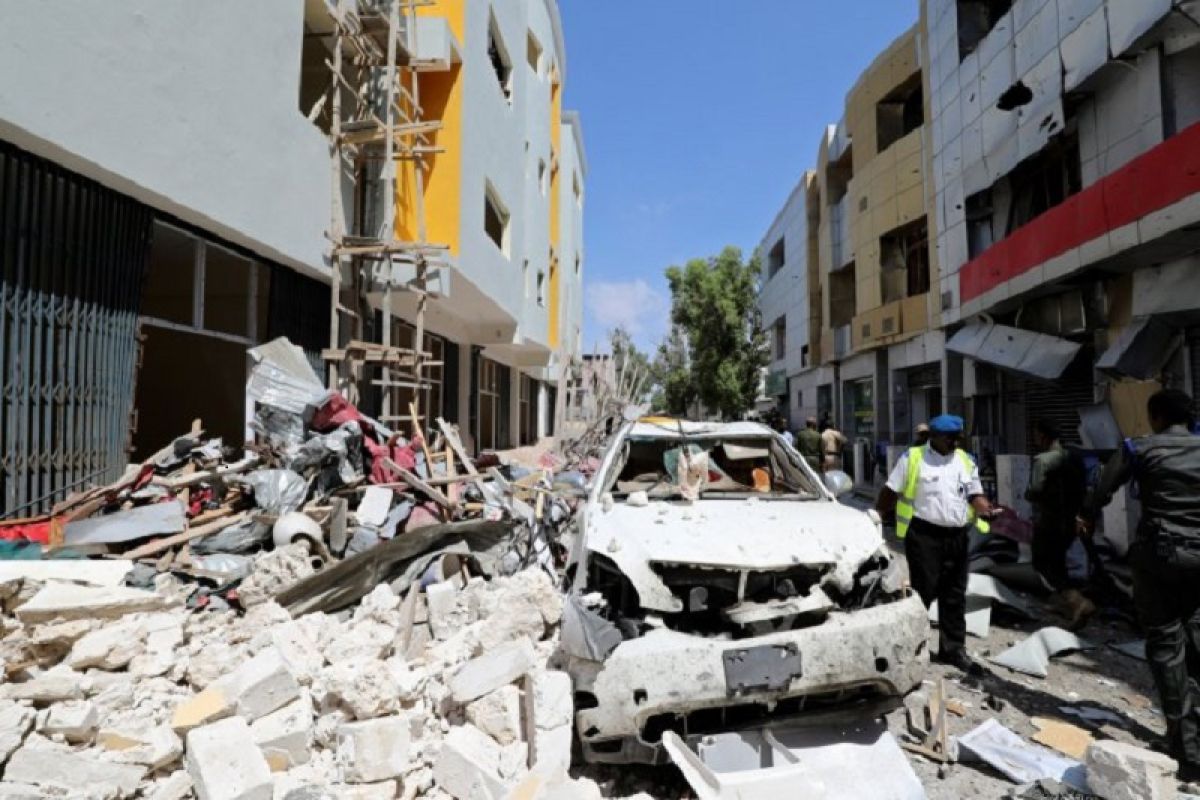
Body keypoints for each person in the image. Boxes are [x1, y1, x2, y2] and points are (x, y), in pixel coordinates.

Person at [1077, 389, 1200, 775]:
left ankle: (1186, 749)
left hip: (1160, 558)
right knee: (1196, 641)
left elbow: (1102, 488)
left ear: (1158, 417)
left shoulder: (1140, 448)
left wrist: (1086, 517)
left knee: (1166, 646)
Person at [876, 414, 997, 673]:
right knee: (923, 592)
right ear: (934, 437)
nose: (955, 442)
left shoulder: (965, 460)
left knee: (954, 594)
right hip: (924, 536)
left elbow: (975, 493)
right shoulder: (913, 458)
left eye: (957, 438)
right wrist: (875, 517)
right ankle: (913, 647)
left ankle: (953, 649)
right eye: (949, 438)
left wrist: (985, 509)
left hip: (957, 536)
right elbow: (890, 491)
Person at [1025, 418, 1094, 628]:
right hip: (1071, 520)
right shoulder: (1075, 458)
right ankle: (1064, 604)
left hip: (1049, 520)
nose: (1035, 438)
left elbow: (1034, 491)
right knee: (1059, 561)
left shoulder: (1043, 460)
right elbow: (1084, 488)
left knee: (1044, 563)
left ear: (1043, 436)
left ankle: (1077, 602)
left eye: (1036, 434)